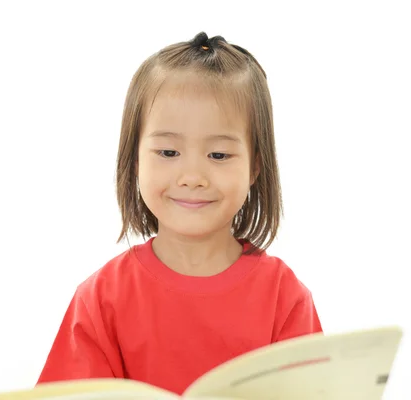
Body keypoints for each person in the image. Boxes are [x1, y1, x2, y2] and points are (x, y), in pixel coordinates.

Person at [37, 32, 323, 396]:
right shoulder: (100, 299)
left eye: (218, 155)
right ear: (135, 159)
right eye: (168, 152)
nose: (192, 178)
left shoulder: (284, 296)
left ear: (255, 168)